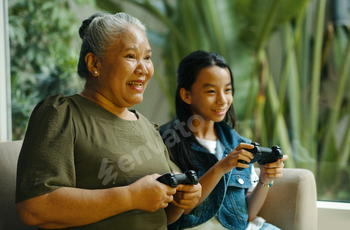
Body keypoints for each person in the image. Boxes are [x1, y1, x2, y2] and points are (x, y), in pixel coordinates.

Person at [15, 12, 201, 230]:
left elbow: (158, 214)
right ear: (94, 63)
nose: (143, 69)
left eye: (147, 57)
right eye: (131, 56)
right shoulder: (62, 114)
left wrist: (181, 200)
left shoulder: (147, 127)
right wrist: (130, 197)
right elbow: (34, 208)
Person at [159, 50, 288, 230]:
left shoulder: (238, 143)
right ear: (186, 95)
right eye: (211, 91)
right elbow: (178, 211)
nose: (223, 100)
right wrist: (221, 167)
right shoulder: (166, 144)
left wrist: (264, 179)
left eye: (227, 90)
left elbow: (245, 216)